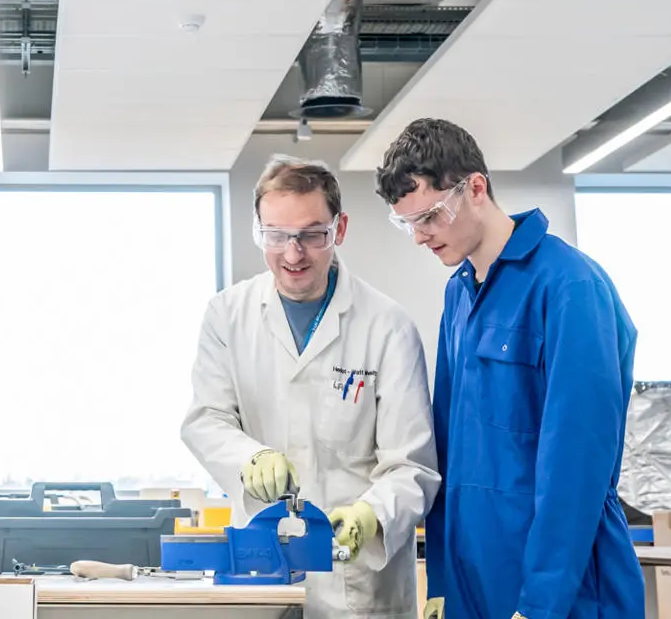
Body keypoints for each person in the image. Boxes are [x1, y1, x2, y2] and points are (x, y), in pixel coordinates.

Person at [375, 118, 642, 619]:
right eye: (407, 223)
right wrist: (442, 579)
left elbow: (577, 465)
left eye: (429, 216)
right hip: (475, 578)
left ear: (475, 187)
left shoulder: (569, 287)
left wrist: (542, 604)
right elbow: (446, 448)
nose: (418, 237)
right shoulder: (459, 294)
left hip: (564, 586)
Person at [183, 154, 440, 619]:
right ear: (258, 229)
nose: (293, 253)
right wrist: (250, 458)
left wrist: (372, 514)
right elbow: (206, 419)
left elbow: (412, 466)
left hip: (359, 585)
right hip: (263, 574)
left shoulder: (387, 327)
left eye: (311, 235)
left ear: (339, 230)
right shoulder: (227, 315)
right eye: (276, 235)